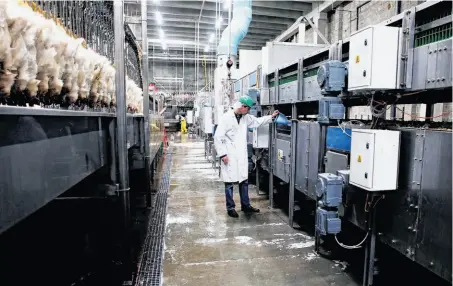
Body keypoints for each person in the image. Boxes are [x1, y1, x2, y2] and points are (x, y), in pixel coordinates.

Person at [214, 95, 279, 218]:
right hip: (229, 154)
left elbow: (257, 121)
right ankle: (231, 208)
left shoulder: (245, 117)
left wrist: (271, 117)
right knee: (229, 183)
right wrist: (223, 154)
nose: (249, 111)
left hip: (241, 154)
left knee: (244, 181)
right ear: (242, 107)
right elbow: (218, 137)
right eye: (248, 108)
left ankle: (246, 205)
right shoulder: (226, 118)